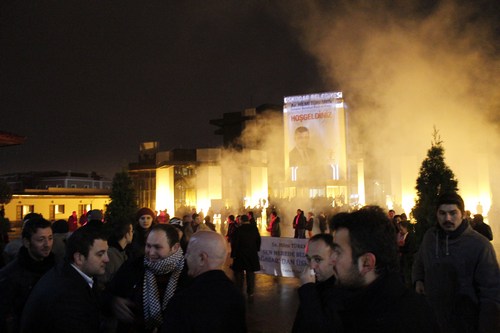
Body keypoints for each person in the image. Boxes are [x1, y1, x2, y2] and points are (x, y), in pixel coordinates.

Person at [327, 206, 440, 332]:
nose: (331, 259)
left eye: (338, 252)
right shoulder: (341, 304)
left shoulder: (411, 319)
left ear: (367, 263)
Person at [412, 192, 500, 332]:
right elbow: (420, 261)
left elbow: (491, 293)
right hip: (433, 320)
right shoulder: (430, 237)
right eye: (442, 213)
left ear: (463, 214)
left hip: (466, 323)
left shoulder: (480, 245)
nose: (447, 218)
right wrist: (418, 279)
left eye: (453, 213)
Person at [20, 225, 109, 333]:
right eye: (100, 254)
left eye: (106, 252)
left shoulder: (70, 274)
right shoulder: (67, 297)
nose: (107, 259)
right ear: (79, 258)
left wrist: (112, 302)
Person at [161, 231, 247, 332]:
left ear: (202, 258)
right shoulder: (236, 294)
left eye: (188, 252)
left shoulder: (185, 299)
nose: (185, 256)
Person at [109, 224, 188, 332]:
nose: (150, 252)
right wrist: (112, 302)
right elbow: (108, 293)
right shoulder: (134, 266)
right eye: (148, 246)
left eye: (157, 247)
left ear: (175, 247)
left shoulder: (188, 272)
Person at [0, 216, 55, 333]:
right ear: (26, 242)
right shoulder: (10, 275)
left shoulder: (58, 268)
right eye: (41, 240)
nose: (47, 244)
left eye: (50, 238)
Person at [292, 234, 342, 333]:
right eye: (309, 259)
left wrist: (308, 289)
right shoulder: (317, 285)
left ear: (334, 259)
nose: (312, 266)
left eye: (318, 259)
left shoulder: (340, 292)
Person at [230, 214, 261, 300]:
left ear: (241, 221)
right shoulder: (254, 228)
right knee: (250, 273)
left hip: (240, 254)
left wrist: (233, 254)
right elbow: (258, 240)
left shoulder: (238, 230)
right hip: (251, 254)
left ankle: (239, 291)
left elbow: (235, 243)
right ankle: (250, 292)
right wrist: (256, 249)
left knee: (239, 274)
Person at [97, 220, 134, 288]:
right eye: (131, 231)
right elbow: (103, 280)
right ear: (126, 234)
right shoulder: (111, 254)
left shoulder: (123, 253)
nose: (132, 234)